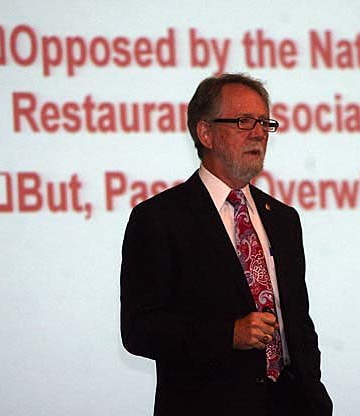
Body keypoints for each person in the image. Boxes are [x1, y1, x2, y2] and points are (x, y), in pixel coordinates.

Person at [120, 73, 332, 415]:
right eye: (244, 121)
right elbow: (139, 330)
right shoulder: (159, 218)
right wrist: (227, 334)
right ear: (206, 134)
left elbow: (299, 324)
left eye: (264, 122)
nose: (260, 132)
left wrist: (315, 397)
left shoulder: (283, 218)